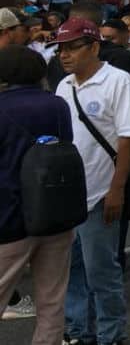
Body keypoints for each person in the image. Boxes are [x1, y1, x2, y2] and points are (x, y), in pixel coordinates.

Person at [53, 18, 130, 345]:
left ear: (93, 47)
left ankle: (111, 335)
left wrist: (116, 190)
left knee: (101, 273)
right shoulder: (64, 87)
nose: (65, 55)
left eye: (73, 47)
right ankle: (79, 332)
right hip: (68, 197)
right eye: (61, 48)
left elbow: (128, 139)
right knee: (72, 272)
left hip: (101, 195)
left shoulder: (119, 82)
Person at [0, 46, 75, 343]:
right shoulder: (57, 105)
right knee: (52, 302)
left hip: (9, 217)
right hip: (55, 213)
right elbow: (66, 145)